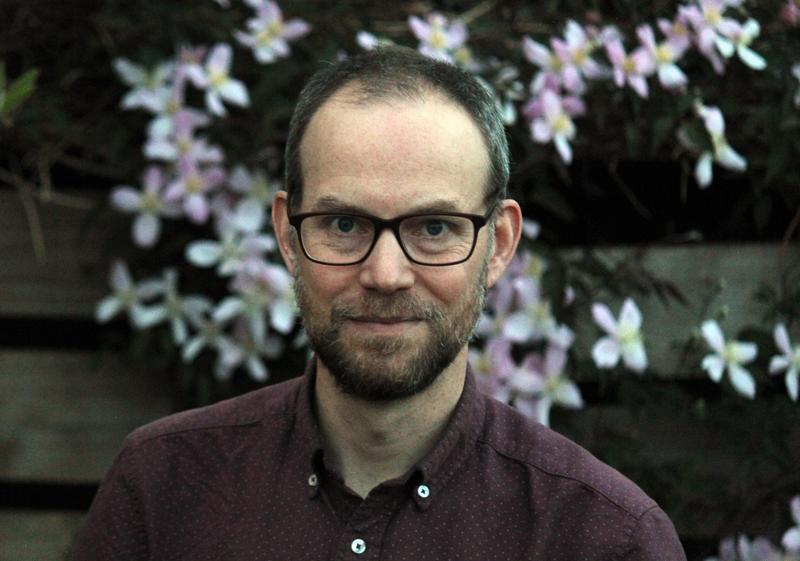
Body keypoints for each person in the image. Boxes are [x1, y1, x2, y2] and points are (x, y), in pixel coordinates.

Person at [72, 46, 687, 560]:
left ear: (498, 245)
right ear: (289, 236)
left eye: (435, 228)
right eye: (343, 224)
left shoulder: (604, 539)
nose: (385, 273)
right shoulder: (162, 489)